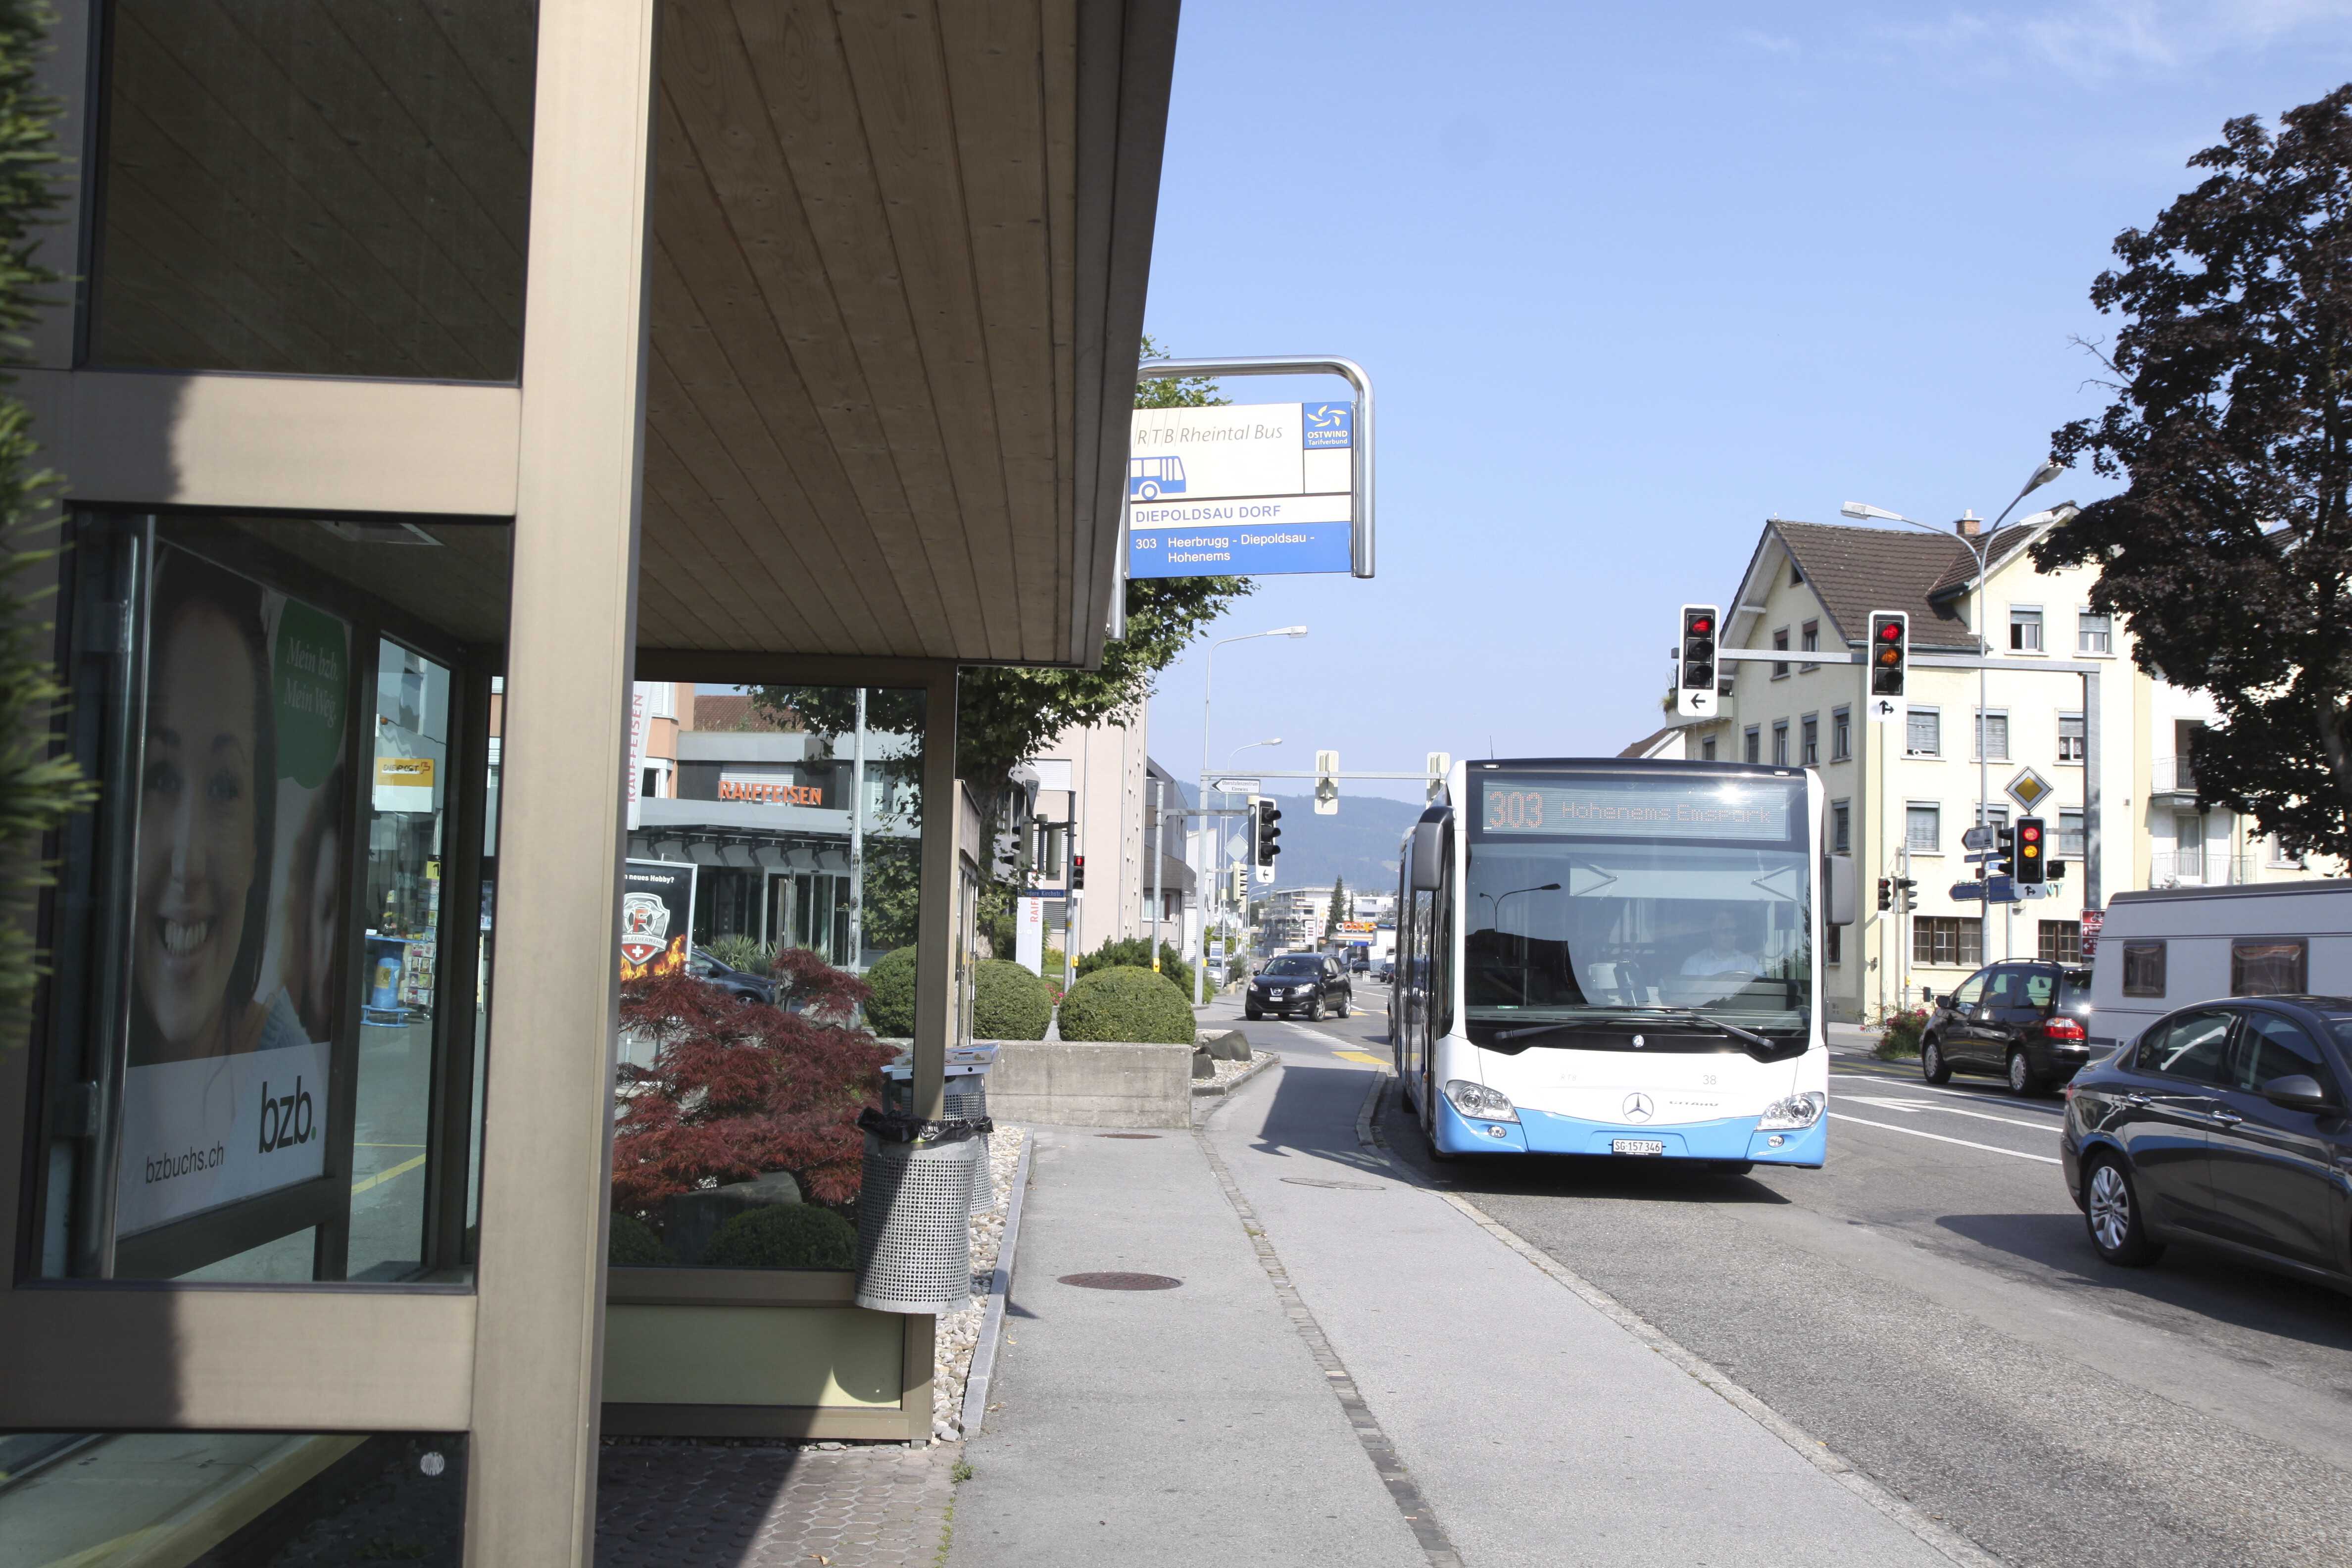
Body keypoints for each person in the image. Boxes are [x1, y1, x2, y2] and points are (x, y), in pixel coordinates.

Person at [130, 551, 299, 1065]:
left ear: (256, 840)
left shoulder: (280, 1065)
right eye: (161, 777)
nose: (189, 864)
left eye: (225, 789)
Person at [1680, 910, 1759, 979]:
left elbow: (1761, 990)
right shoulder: (1694, 963)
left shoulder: (1750, 963)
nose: (1730, 936)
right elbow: (1688, 994)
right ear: (1713, 933)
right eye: (1725, 931)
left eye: (1734, 932)